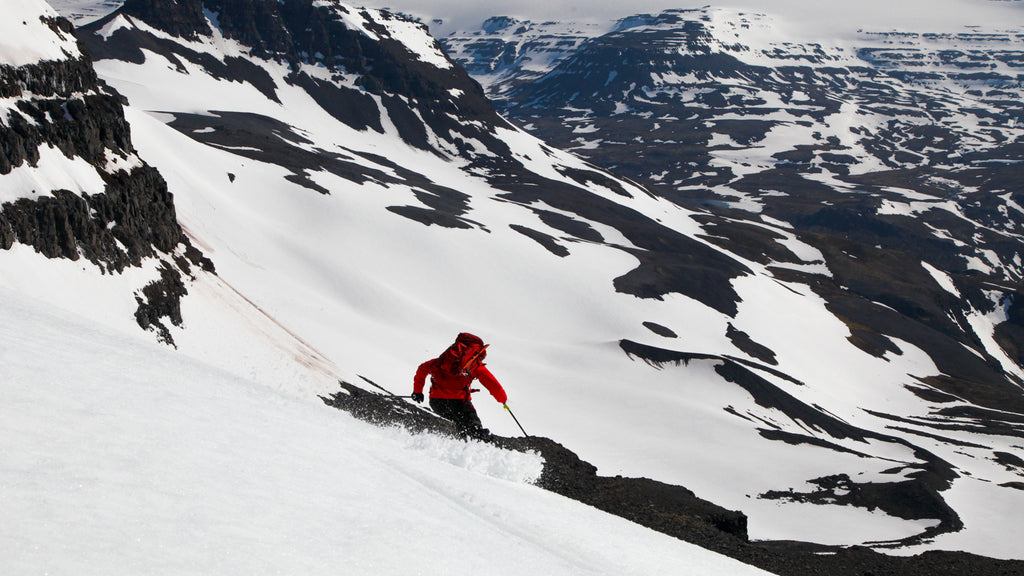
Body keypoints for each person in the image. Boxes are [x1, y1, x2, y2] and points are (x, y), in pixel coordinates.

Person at [412, 332, 507, 440]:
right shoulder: (475, 365)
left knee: (459, 427)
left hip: (436, 401)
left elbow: (422, 369)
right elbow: (493, 385)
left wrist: (417, 392)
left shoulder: (442, 361)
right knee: (474, 430)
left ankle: (457, 445)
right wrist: (503, 400)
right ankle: (479, 449)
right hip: (460, 402)